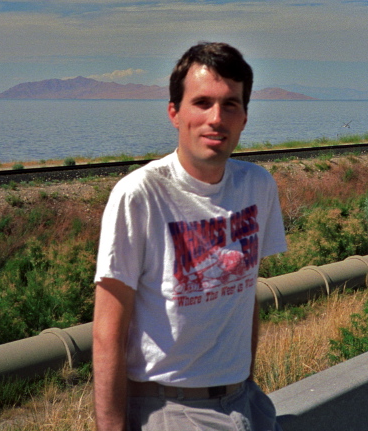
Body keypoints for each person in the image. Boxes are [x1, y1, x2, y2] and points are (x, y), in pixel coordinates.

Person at [93, 42, 288, 431]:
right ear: (174, 113)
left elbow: (244, 292)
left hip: (243, 399)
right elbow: (107, 331)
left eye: (230, 104)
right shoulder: (140, 195)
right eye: (202, 102)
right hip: (170, 406)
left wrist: (245, 380)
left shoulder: (257, 186)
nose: (216, 118)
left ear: (245, 117)